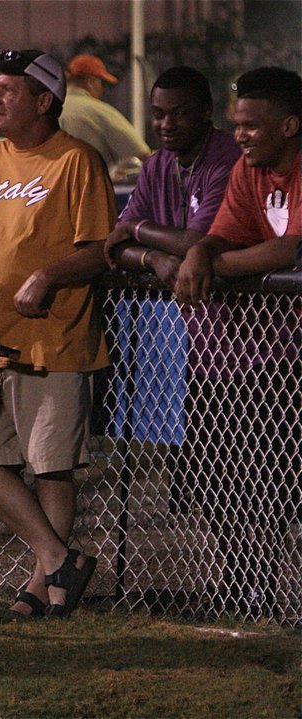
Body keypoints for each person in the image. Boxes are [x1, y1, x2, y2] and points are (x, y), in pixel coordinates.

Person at [0, 49, 117, 619]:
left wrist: (47, 275)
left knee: (49, 466)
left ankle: (43, 585)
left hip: (53, 339)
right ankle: (57, 558)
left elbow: (100, 248)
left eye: (8, 91)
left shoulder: (77, 160)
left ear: (43, 101)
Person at [174, 66, 301, 618]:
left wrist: (212, 263)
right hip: (265, 354)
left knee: (289, 484)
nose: (240, 135)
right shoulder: (251, 171)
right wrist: (200, 254)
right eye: (237, 124)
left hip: (288, 356)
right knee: (240, 480)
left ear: (290, 125)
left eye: (251, 125)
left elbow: (288, 251)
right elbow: (224, 231)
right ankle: (243, 588)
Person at [102, 66, 241, 516]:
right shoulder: (158, 164)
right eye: (158, 114)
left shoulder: (228, 157)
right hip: (182, 348)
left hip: (238, 346)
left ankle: (251, 586)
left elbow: (199, 239)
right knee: (206, 493)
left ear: (207, 112)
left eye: (178, 114)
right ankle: (228, 584)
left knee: (247, 487)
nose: (165, 125)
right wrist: (155, 258)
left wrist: (139, 228)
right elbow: (116, 246)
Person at [59, 54, 151, 177]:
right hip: (90, 189)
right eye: (102, 83)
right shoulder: (98, 111)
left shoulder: (44, 110)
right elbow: (141, 153)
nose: (102, 89)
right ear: (90, 82)